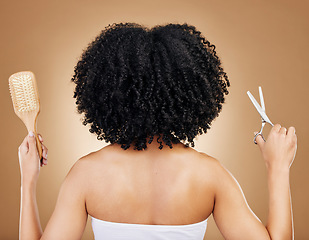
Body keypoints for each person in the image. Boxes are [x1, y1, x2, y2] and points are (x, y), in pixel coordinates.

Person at [18, 22, 297, 240]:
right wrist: (279, 167)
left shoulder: (86, 175)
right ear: (192, 92)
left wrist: (28, 181)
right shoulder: (211, 176)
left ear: (108, 91)